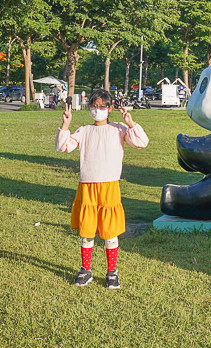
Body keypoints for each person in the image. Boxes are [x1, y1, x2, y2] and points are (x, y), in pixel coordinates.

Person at [56, 89, 149, 290]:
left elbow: (142, 142)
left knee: (109, 232)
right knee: (87, 231)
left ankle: (112, 272)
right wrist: (65, 124)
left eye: (101, 106)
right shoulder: (84, 131)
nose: (97, 110)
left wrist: (130, 122)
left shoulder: (119, 128)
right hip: (87, 186)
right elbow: (63, 147)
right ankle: (85, 270)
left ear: (110, 108)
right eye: (94, 106)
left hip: (109, 185)